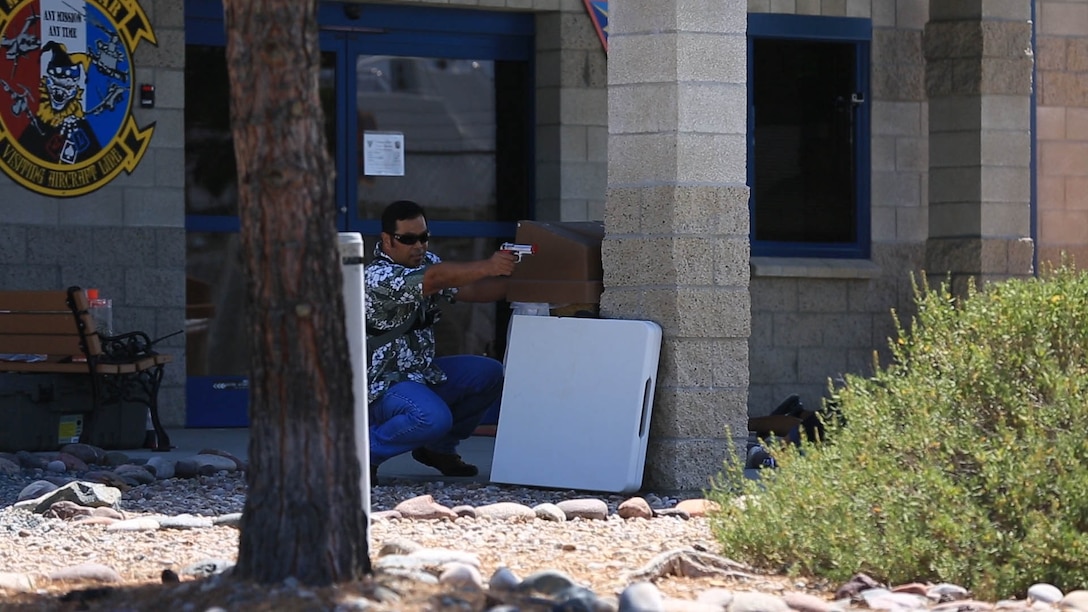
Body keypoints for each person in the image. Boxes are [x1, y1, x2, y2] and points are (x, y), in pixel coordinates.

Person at [364, 199, 516, 479]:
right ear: (387, 240)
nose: (419, 245)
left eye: (424, 237)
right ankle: (363, 455)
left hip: (423, 375)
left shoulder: (426, 262)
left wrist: (526, 281)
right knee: (431, 417)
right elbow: (434, 279)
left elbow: (470, 292)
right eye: (408, 239)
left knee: (489, 373)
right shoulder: (379, 277)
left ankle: (438, 449)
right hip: (383, 386)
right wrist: (489, 265)